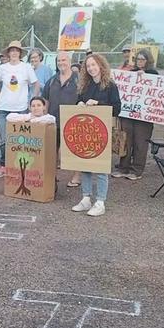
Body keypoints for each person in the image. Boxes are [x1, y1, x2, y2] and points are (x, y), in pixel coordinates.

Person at [72, 54, 121, 217]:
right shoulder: (84, 86)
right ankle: (86, 198)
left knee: (100, 168)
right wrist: (79, 104)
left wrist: (98, 104)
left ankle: (100, 201)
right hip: (85, 131)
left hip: (102, 131)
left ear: (100, 65)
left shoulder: (110, 85)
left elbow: (117, 108)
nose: (91, 68)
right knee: (85, 164)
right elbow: (78, 102)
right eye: (88, 66)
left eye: (94, 65)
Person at [0, 41, 39, 177]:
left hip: (21, 109)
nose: (14, 53)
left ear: (20, 53)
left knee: (19, 139)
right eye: (11, 50)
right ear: (8, 53)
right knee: (4, 140)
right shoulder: (2, 68)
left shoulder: (26, 68)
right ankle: (3, 165)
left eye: (16, 51)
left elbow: (36, 84)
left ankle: (18, 167)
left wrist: (32, 101)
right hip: (3, 109)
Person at [112, 48, 159, 180]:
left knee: (140, 142)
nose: (140, 62)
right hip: (128, 113)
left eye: (142, 59)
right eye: (138, 59)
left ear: (148, 60)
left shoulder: (154, 74)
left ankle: (137, 169)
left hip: (144, 117)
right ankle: (123, 167)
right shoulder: (130, 73)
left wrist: (144, 76)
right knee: (125, 140)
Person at [43, 51, 82, 187]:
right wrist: (45, 118)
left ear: (69, 61)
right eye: (59, 61)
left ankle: (76, 177)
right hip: (54, 121)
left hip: (73, 122)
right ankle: (52, 176)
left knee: (74, 151)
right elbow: (46, 100)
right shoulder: (51, 80)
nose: (61, 63)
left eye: (64, 60)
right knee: (52, 151)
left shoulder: (79, 80)